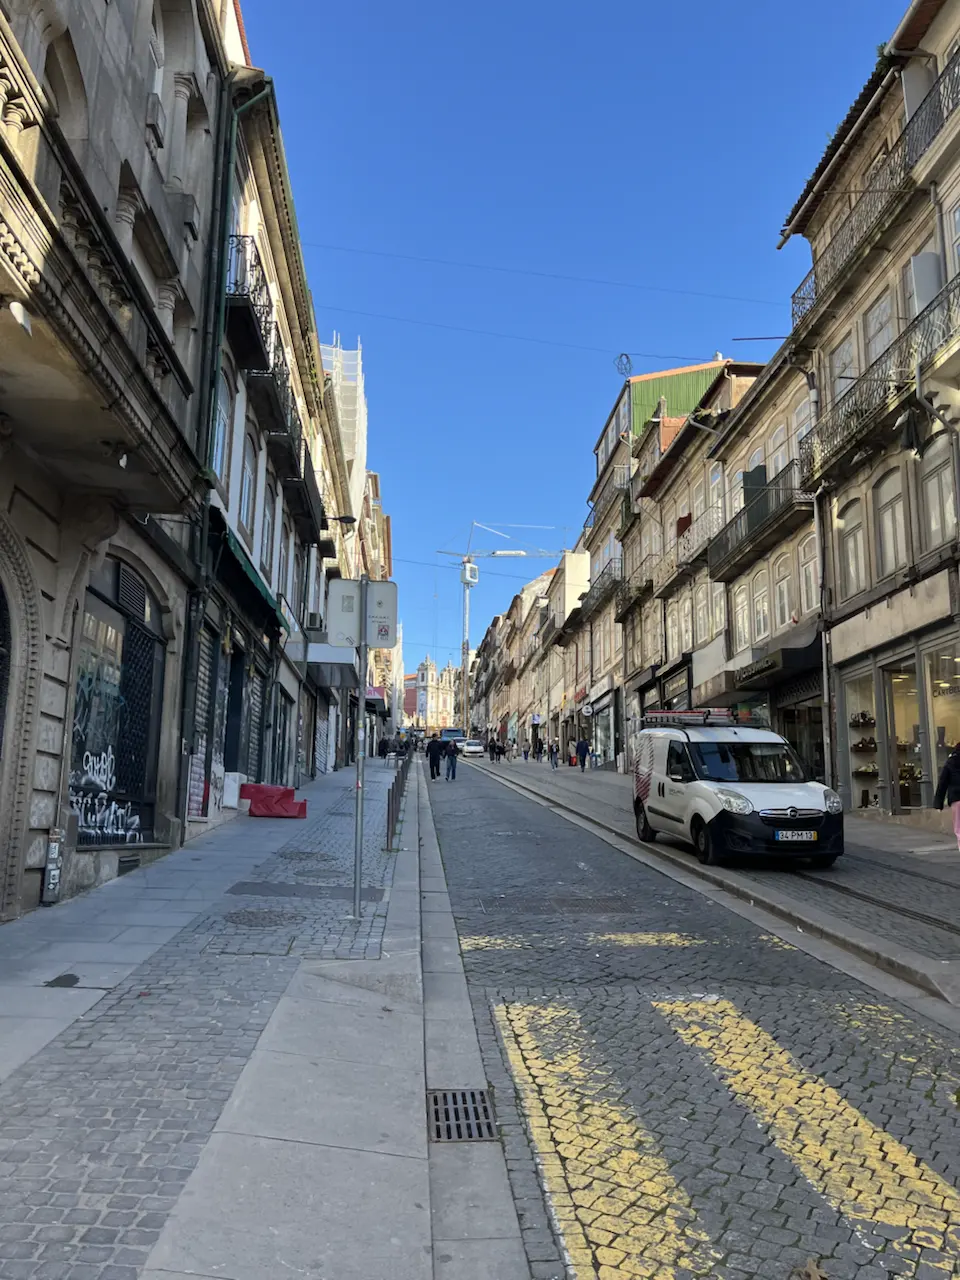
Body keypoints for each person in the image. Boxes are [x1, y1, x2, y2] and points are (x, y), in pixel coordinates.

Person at [934, 742, 960, 849]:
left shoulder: (951, 762)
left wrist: (938, 803)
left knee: (959, 828)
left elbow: (942, 783)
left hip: (957, 799)